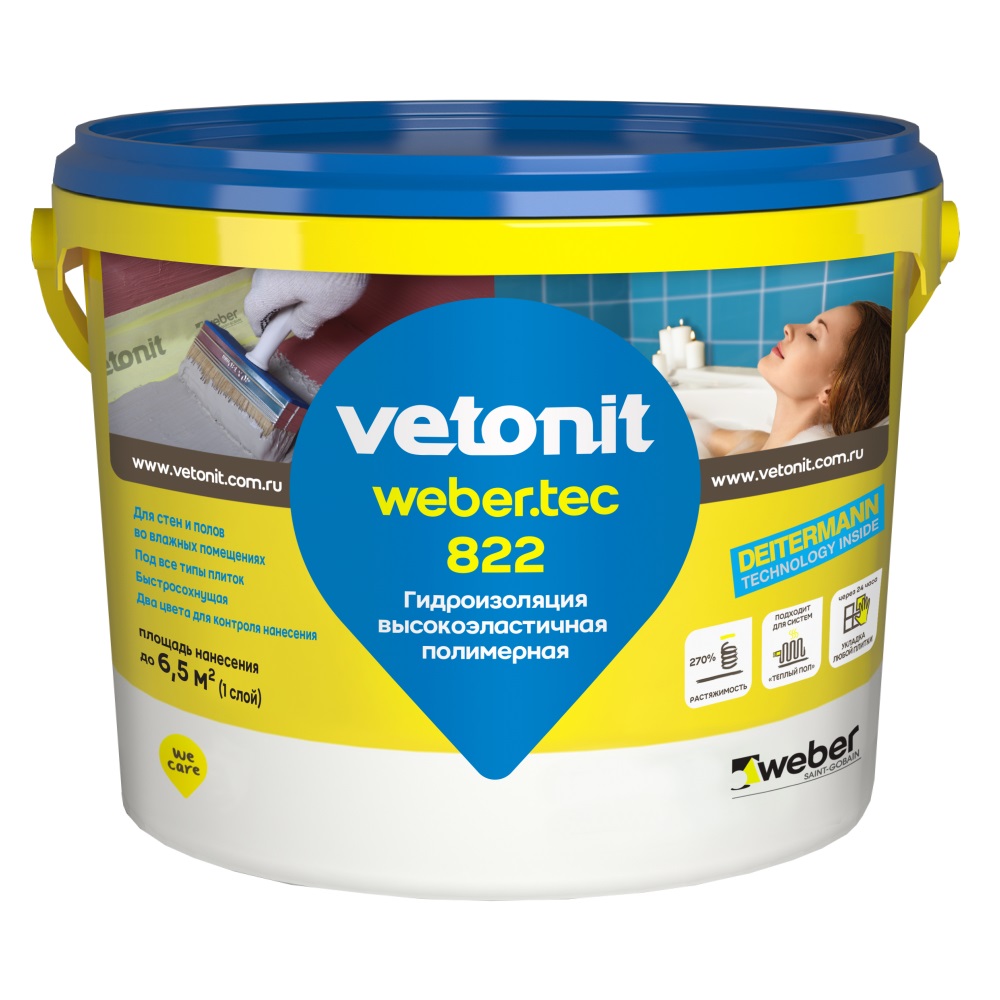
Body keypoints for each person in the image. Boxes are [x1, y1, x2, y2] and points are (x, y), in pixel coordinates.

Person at [705, 300, 891, 456]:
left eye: (812, 336)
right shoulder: (756, 442)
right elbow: (698, 434)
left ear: (832, 391)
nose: (789, 327)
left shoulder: (795, 477)